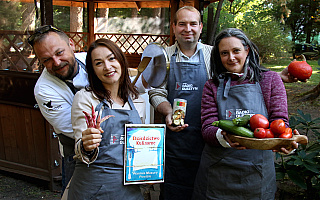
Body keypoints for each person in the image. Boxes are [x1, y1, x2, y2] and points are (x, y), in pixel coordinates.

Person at [148, 6, 303, 200]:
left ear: (201, 27)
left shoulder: (213, 53)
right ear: (173, 27)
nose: (188, 28)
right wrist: (169, 111)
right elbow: (155, 91)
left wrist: (283, 136)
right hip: (187, 142)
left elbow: (243, 74)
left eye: (193, 23)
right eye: (182, 24)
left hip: (243, 160)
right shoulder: (163, 58)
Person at [192, 28, 299, 200]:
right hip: (218, 172)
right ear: (218, 56)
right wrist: (225, 137)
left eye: (236, 51)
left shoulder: (270, 80)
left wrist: (285, 140)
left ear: (247, 50)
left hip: (257, 173)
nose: (231, 57)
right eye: (224, 53)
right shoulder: (211, 85)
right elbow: (207, 128)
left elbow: (280, 122)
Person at [67, 38, 145, 199]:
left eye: (111, 58)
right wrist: (86, 144)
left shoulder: (138, 101)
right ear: (92, 70)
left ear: (121, 60)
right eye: (98, 63)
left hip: (129, 189)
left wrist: (148, 168)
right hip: (93, 186)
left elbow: (141, 146)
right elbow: (79, 148)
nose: (107, 67)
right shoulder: (85, 98)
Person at [28, 25, 88, 194]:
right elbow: (75, 129)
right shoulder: (44, 90)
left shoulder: (91, 60)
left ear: (71, 44)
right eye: (46, 60)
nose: (56, 62)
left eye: (59, 53)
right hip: (76, 156)